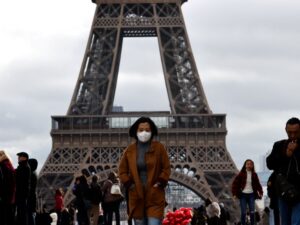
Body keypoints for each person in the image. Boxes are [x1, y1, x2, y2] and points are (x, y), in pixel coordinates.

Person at [118, 117, 171, 225]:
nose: (144, 132)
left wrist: (160, 183)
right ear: (136, 131)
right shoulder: (130, 150)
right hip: (137, 196)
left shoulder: (159, 148)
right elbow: (122, 170)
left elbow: (166, 168)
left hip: (154, 195)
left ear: (152, 131)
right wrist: (130, 185)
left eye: (147, 130)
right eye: (141, 130)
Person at [266, 117, 300, 225]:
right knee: (285, 222)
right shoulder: (279, 145)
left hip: (299, 191)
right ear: (285, 130)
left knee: (296, 221)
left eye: (296, 132)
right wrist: (286, 154)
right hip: (283, 191)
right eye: (290, 132)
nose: (293, 135)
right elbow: (270, 164)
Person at [231, 159, 263, 225]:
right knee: (243, 213)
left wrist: (261, 192)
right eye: (248, 164)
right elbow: (235, 184)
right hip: (243, 195)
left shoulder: (254, 175)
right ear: (245, 165)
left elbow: (258, 184)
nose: (249, 165)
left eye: (250, 164)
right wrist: (234, 193)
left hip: (251, 195)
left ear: (252, 166)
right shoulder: (241, 174)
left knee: (252, 212)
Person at [0, 150, 16, 225]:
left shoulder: (2, 165)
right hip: (10, 192)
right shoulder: (10, 165)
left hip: (3, 192)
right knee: (9, 213)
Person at [15, 151, 31, 225]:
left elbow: (20, 179)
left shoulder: (24, 167)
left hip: (21, 193)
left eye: (20, 156)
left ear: (24, 158)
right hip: (22, 193)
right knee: (21, 212)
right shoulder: (23, 166)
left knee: (22, 212)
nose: (18, 158)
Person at [28, 158, 38, 225]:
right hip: (33, 197)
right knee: (32, 214)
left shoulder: (31, 174)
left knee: (30, 214)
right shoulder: (34, 173)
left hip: (30, 197)